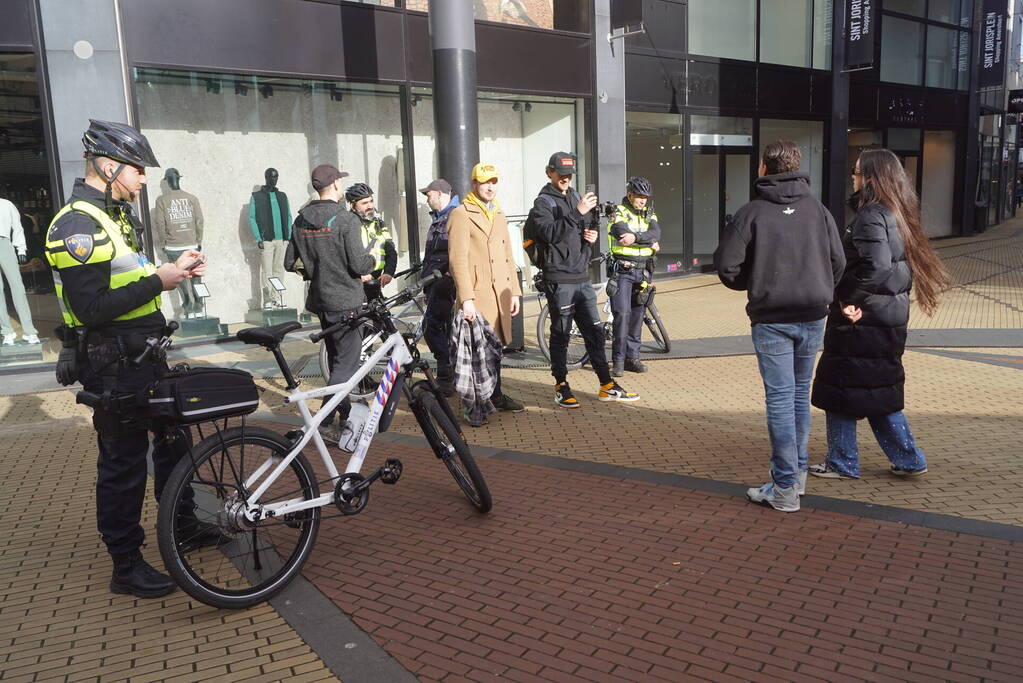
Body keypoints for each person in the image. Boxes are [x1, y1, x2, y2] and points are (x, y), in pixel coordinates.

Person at [44, 120, 218, 597]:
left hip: (143, 354)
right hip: (113, 362)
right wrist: (159, 281)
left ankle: (185, 526)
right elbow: (91, 308)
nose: (144, 179)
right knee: (123, 463)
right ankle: (126, 564)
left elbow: (127, 279)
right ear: (108, 166)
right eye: (138, 170)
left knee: (173, 442)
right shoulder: (77, 225)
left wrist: (172, 270)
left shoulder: (114, 215)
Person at [714, 140, 845, 513]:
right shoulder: (818, 211)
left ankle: (785, 487)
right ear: (796, 166)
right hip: (813, 314)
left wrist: (756, 283)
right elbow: (838, 262)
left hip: (772, 319)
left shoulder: (752, 213)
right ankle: (796, 477)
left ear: (763, 168)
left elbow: (726, 265)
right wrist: (820, 289)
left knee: (781, 400)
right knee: (798, 396)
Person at [810, 149, 948, 480]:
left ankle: (843, 461)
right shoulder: (898, 213)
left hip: (863, 319)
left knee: (841, 388)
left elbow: (878, 265)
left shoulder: (871, 215)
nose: (853, 177)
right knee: (876, 389)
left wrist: (849, 299)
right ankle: (908, 458)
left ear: (872, 177)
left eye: (857, 172)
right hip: (886, 317)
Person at [524, 151, 639, 408]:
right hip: (558, 277)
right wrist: (578, 212)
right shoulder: (543, 202)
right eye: (561, 174)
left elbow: (584, 227)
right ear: (549, 172)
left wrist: (591, 235)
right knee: (561, 333)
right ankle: (561, 386)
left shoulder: (576, 196)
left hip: (580, 275)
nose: (565, 179)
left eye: (569, 175)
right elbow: (550, 234)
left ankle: (606, 385)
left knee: (595, 332)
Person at [285, 164, 376, 446]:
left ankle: (344, 414)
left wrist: (316, 269)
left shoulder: (301, 220)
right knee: (345, 366)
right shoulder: (346, 219)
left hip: (322, 301)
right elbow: (359, 264)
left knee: (338, 361)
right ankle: (322, 422)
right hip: (347, 300)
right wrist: (372, 259)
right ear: (336, 184)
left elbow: (289, 262)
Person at [447, 162, 525, 424]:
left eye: (493, 182)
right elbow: (457, 261)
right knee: (477, 352)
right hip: (478, 295)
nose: (490, 187)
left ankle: (496, 395)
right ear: (474, 184)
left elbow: (508, 255)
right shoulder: (461, 214)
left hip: (500, 293)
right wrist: (466, 299)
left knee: (496, 348)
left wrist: (514, 291)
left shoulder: (499, 213)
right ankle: (474, 404)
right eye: (484, 182)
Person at [607, 175, 661, 376]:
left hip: (643, 271)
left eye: (645, 197)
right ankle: (618, 361)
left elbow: (656, 233)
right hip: (623, 272)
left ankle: (633, 359)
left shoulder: (650, 213)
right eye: (639, 196)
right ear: (630, 195)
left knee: (638, 316)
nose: (642, 200)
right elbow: (621, 233)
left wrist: (636, 237)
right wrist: (648, 241)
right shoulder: (618, 212)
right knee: (622, 315)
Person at [420, 178, 459, 390]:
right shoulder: (439, 217)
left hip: (445, 282)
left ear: (440, 194)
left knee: (432, 325)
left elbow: (456, 252)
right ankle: (448, 375)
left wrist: (445, 276)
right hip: (436, 281)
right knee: (442, 328)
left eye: (429, 195)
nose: (427, 199)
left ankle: (446, 375)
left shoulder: (455, 215)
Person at [345, 183, 396, 302]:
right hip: (355, 287)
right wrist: (358, 277)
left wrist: (388, 272)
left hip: (375, 284)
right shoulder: (347, 225)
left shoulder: (379, 224)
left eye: (371, 201)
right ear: (353, 205)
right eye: (364, 203)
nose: (370, 206)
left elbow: (390, 250)